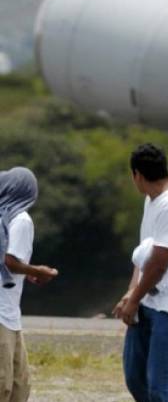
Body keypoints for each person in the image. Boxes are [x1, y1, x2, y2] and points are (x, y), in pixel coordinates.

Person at [113, 143, 168, 402]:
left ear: (137, 175)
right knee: (136, 378)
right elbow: (144, 254)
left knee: (160, 388)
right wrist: (131, 293)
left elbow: (161, 261)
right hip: (147, 302)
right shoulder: (153, 201)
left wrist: (135, 298)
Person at [0, 167, 59, 402]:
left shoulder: (4, 218)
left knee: (19, 385)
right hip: (3, 315)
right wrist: (38, 270)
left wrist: (27, 273)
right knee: (5, 386)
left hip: (10, 315)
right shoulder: (21, 220)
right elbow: (10, 261)